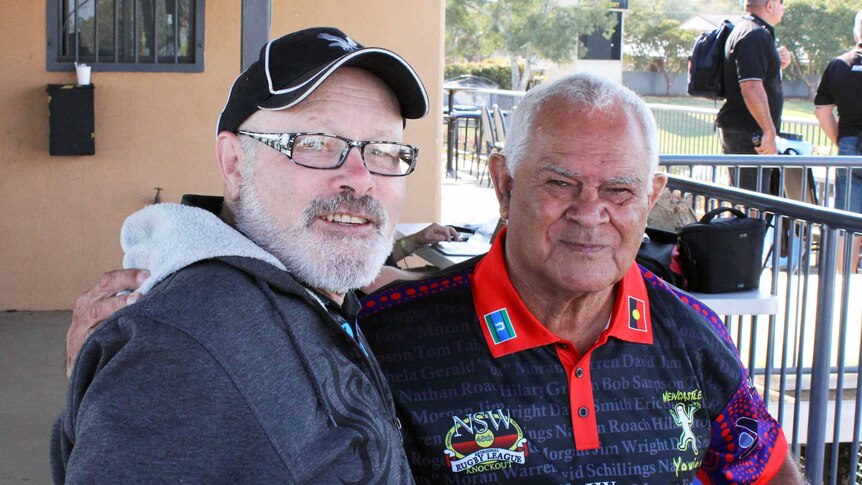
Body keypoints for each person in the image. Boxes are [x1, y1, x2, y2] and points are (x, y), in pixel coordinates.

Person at [68, 74, 804, 483]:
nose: (591, 214)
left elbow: (768, 472)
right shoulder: (384, 332)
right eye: (559, 183)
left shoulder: (693, 332)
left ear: (651, 197)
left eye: (619, 191)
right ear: (502, 183)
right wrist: (102, 377)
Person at [52, 26, 429, 483]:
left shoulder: (301, 288)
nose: (362, 177)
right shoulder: (181, 350)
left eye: (386, 150)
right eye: (314, 144)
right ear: (233, 164)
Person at [716, 0, 790, 194]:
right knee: (751, 207)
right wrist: (769, 131)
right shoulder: (755, 34)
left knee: (750, 205)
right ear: (770, 5)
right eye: (782, 3)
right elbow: (751, 87)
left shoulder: (748, 30)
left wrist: (775, 62)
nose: (783, 8)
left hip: (744, 131)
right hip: (748, 133)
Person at [814, 9, 862, 271]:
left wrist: (842, 142)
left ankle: (846, 286)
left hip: (850, 148)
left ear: (857, 33)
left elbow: (823, 111)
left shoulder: (839, 64)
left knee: (847, 225)